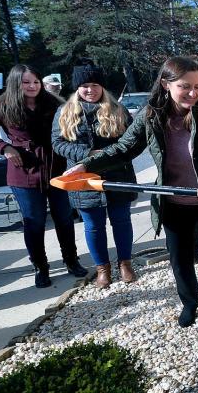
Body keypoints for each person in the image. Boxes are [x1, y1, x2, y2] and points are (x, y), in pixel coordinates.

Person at [65, 56, 198, 361]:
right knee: (179, 262)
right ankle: (190, 303)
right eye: (184, 87)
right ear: (165, 85)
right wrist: (86, 164)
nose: (193, 93)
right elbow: (123, 148)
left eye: (197, 87)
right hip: (172, 203)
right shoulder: (151, 115)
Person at [0, 64, 88, 288]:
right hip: (23, 172)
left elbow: (74, 124)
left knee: (64, 217)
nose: (32, 86)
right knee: (34, 222)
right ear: (16, 83)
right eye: (26, 82)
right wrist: (3, 147)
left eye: (35, 81)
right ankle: (40, 266)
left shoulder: (53, 102)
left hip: (56, 168)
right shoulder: (2, 106)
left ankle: (71, 260)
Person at [52, 64, 137, 289]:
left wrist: (108, 156)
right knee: (93, 226)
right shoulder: (64, 112)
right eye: (84, 86)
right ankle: (102, 268)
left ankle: (125, 263)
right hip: (83, 179)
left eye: (94, 85)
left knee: (121, 221)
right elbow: (57, 143)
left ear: (102, 86)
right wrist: (87, 154)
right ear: (77, 87)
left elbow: (130, 141)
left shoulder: (118, 109)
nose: (90, 89)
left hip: (118, 175)